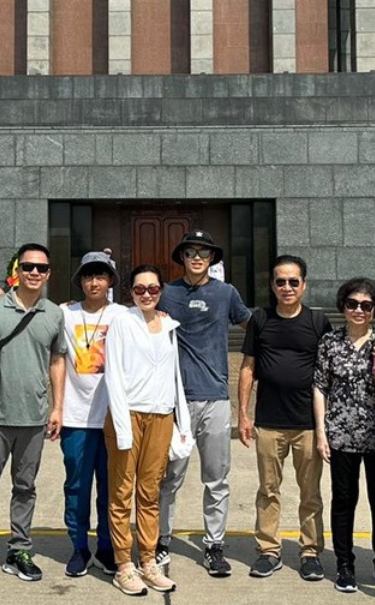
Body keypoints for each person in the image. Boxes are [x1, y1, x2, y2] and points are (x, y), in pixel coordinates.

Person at [0, 243, 68, 589]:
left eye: (41, 267)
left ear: (49, 273)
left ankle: (19, 549)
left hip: (34, 418)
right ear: (17, 270)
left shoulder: (54, 314)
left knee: (26, 488)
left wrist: (57, 407)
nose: (34, 273)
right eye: (28, 267)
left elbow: (57, 360)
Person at [157, 229, 252, 576]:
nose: (197, 257)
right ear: (181, 257)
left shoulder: (226, 293)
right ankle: (161, 540)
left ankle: (214, 545)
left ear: (213, 258)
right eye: (190, 251)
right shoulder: (166, 293)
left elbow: (255, 326)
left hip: (215, 399)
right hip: (176, 401)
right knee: (169, 478)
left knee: (217, 480)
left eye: (204, 252)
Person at [238, 254, 330, 581]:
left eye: (293, 281)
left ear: (304, 285)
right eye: (280, 281)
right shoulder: (260, 319)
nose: (287, 287)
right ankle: (268, 550)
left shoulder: (319, 323)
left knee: (311, 494)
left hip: (307, 425)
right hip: (268, 423)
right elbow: (248, 368)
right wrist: (243, 415)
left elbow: (329, 371)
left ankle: (310, 552)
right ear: (272, 285)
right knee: (268, 490)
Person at [102, 264, 188, 597]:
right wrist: (123, 426)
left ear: (161, 290)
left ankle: (148, 560)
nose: (147, 294)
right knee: (122, 493)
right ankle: (124, 565)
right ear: (131, 292)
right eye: (140, 289)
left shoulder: (168, 325)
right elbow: (114, 376)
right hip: (128, 415)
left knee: (150, 493)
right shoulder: (122, 322)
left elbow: (174, 375)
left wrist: (181, 422)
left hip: (161, 415)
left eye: (153, 288)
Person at [314, 277, 375, 594]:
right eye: (352, 304)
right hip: (341, 435)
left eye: (366, 305)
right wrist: (322, 432)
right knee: (343, 502)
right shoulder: (330, 342)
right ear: (343, 306)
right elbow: (320, 386)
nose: (358, 310)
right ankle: (345, 566)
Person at [59, 251, 127, 577]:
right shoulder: (65, 314)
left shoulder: (124, 316)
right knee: (77, 486)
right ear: (80, 281)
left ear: (110, 280)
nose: (94, 282)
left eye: (101, 276)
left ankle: (106, 546)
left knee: (110, 487)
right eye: (88, 276)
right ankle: (78, 547)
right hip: (75, 417)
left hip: (112, 418)